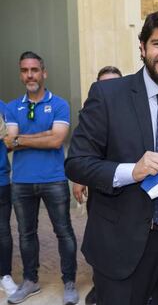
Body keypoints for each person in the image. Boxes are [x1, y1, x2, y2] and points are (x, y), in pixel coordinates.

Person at [65, 9, 158, 305]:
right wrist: (130, 171)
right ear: (143, 47)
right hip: (120, 245)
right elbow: (77, 162)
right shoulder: (107, 95)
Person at [3, 51, 79, 304]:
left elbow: (57, 139)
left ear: (43, 73)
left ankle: (69, 281)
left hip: (54, 179)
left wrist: (23, 138)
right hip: (22, 181)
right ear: (21, 74)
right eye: (25, 70)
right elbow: (9, 142)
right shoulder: (14, 107)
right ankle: (30, 281)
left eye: (34, 70)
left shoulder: (58, 104)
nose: (29, 75)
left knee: (64, 232)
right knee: (26, 233)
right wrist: (41, 137)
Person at [71, 65, 122, 305]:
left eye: (115, 83)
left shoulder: (135, 111)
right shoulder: (92, 111)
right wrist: (80, 179)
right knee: (100, 242)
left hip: (130, 191)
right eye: (104, 84)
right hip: (100, 190)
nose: (110, 89)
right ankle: (99, 286)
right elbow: (83, 152)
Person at [0, 104, 17, 297]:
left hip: (1, 179)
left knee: (3, 230)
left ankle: (5, 274)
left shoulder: (4, 108)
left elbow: (11, 142)